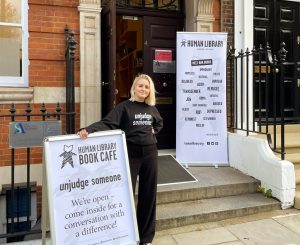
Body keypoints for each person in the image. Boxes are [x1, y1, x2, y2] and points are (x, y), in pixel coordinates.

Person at [77, 74, 163, 245]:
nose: (143, 89)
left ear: (149, 90)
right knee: (126, 194)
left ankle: (145, 238)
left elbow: (159, 123)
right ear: (134, 88)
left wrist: (155, 130)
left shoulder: (152, 108)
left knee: (148, 195)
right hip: (131, 155)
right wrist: (89, 129)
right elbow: (107, 123)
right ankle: (125, 234)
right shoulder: (124, 107)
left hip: (150, 154)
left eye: (146, 87)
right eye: (140, 86)